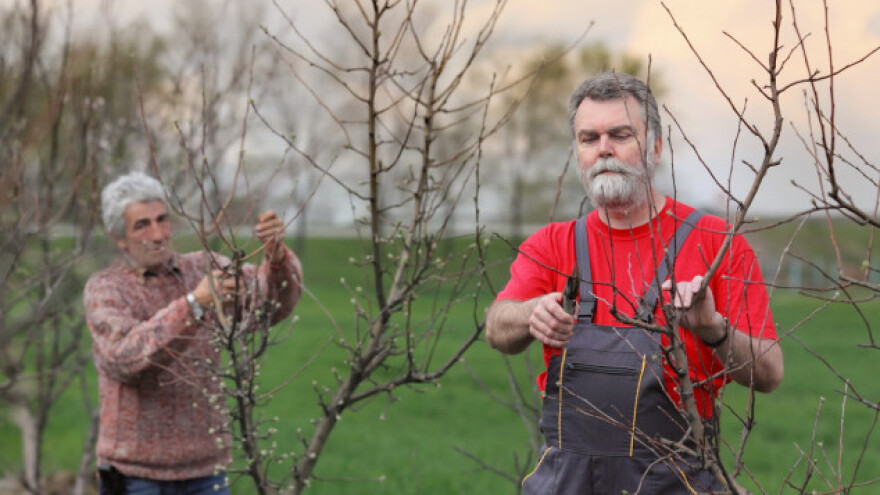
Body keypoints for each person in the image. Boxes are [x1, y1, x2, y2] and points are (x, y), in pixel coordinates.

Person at [485, 72, 784, 494]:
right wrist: (530, 313)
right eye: (589, 138)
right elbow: (496, 327)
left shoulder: (716, 243)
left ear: (656, 148)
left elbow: (769, 373)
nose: (604, 148)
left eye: (620, 135)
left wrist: (713, 329)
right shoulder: (552, 245)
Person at [84, 172, 303, 495]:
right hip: (135, 475)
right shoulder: (106, 288)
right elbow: (125, 358)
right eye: (142, 225)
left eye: (162, 220)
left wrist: (277, 258)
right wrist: (194, 305)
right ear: (119, 237)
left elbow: (270, 306)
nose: (158, 234)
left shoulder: (204, 269)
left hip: (205, 472)